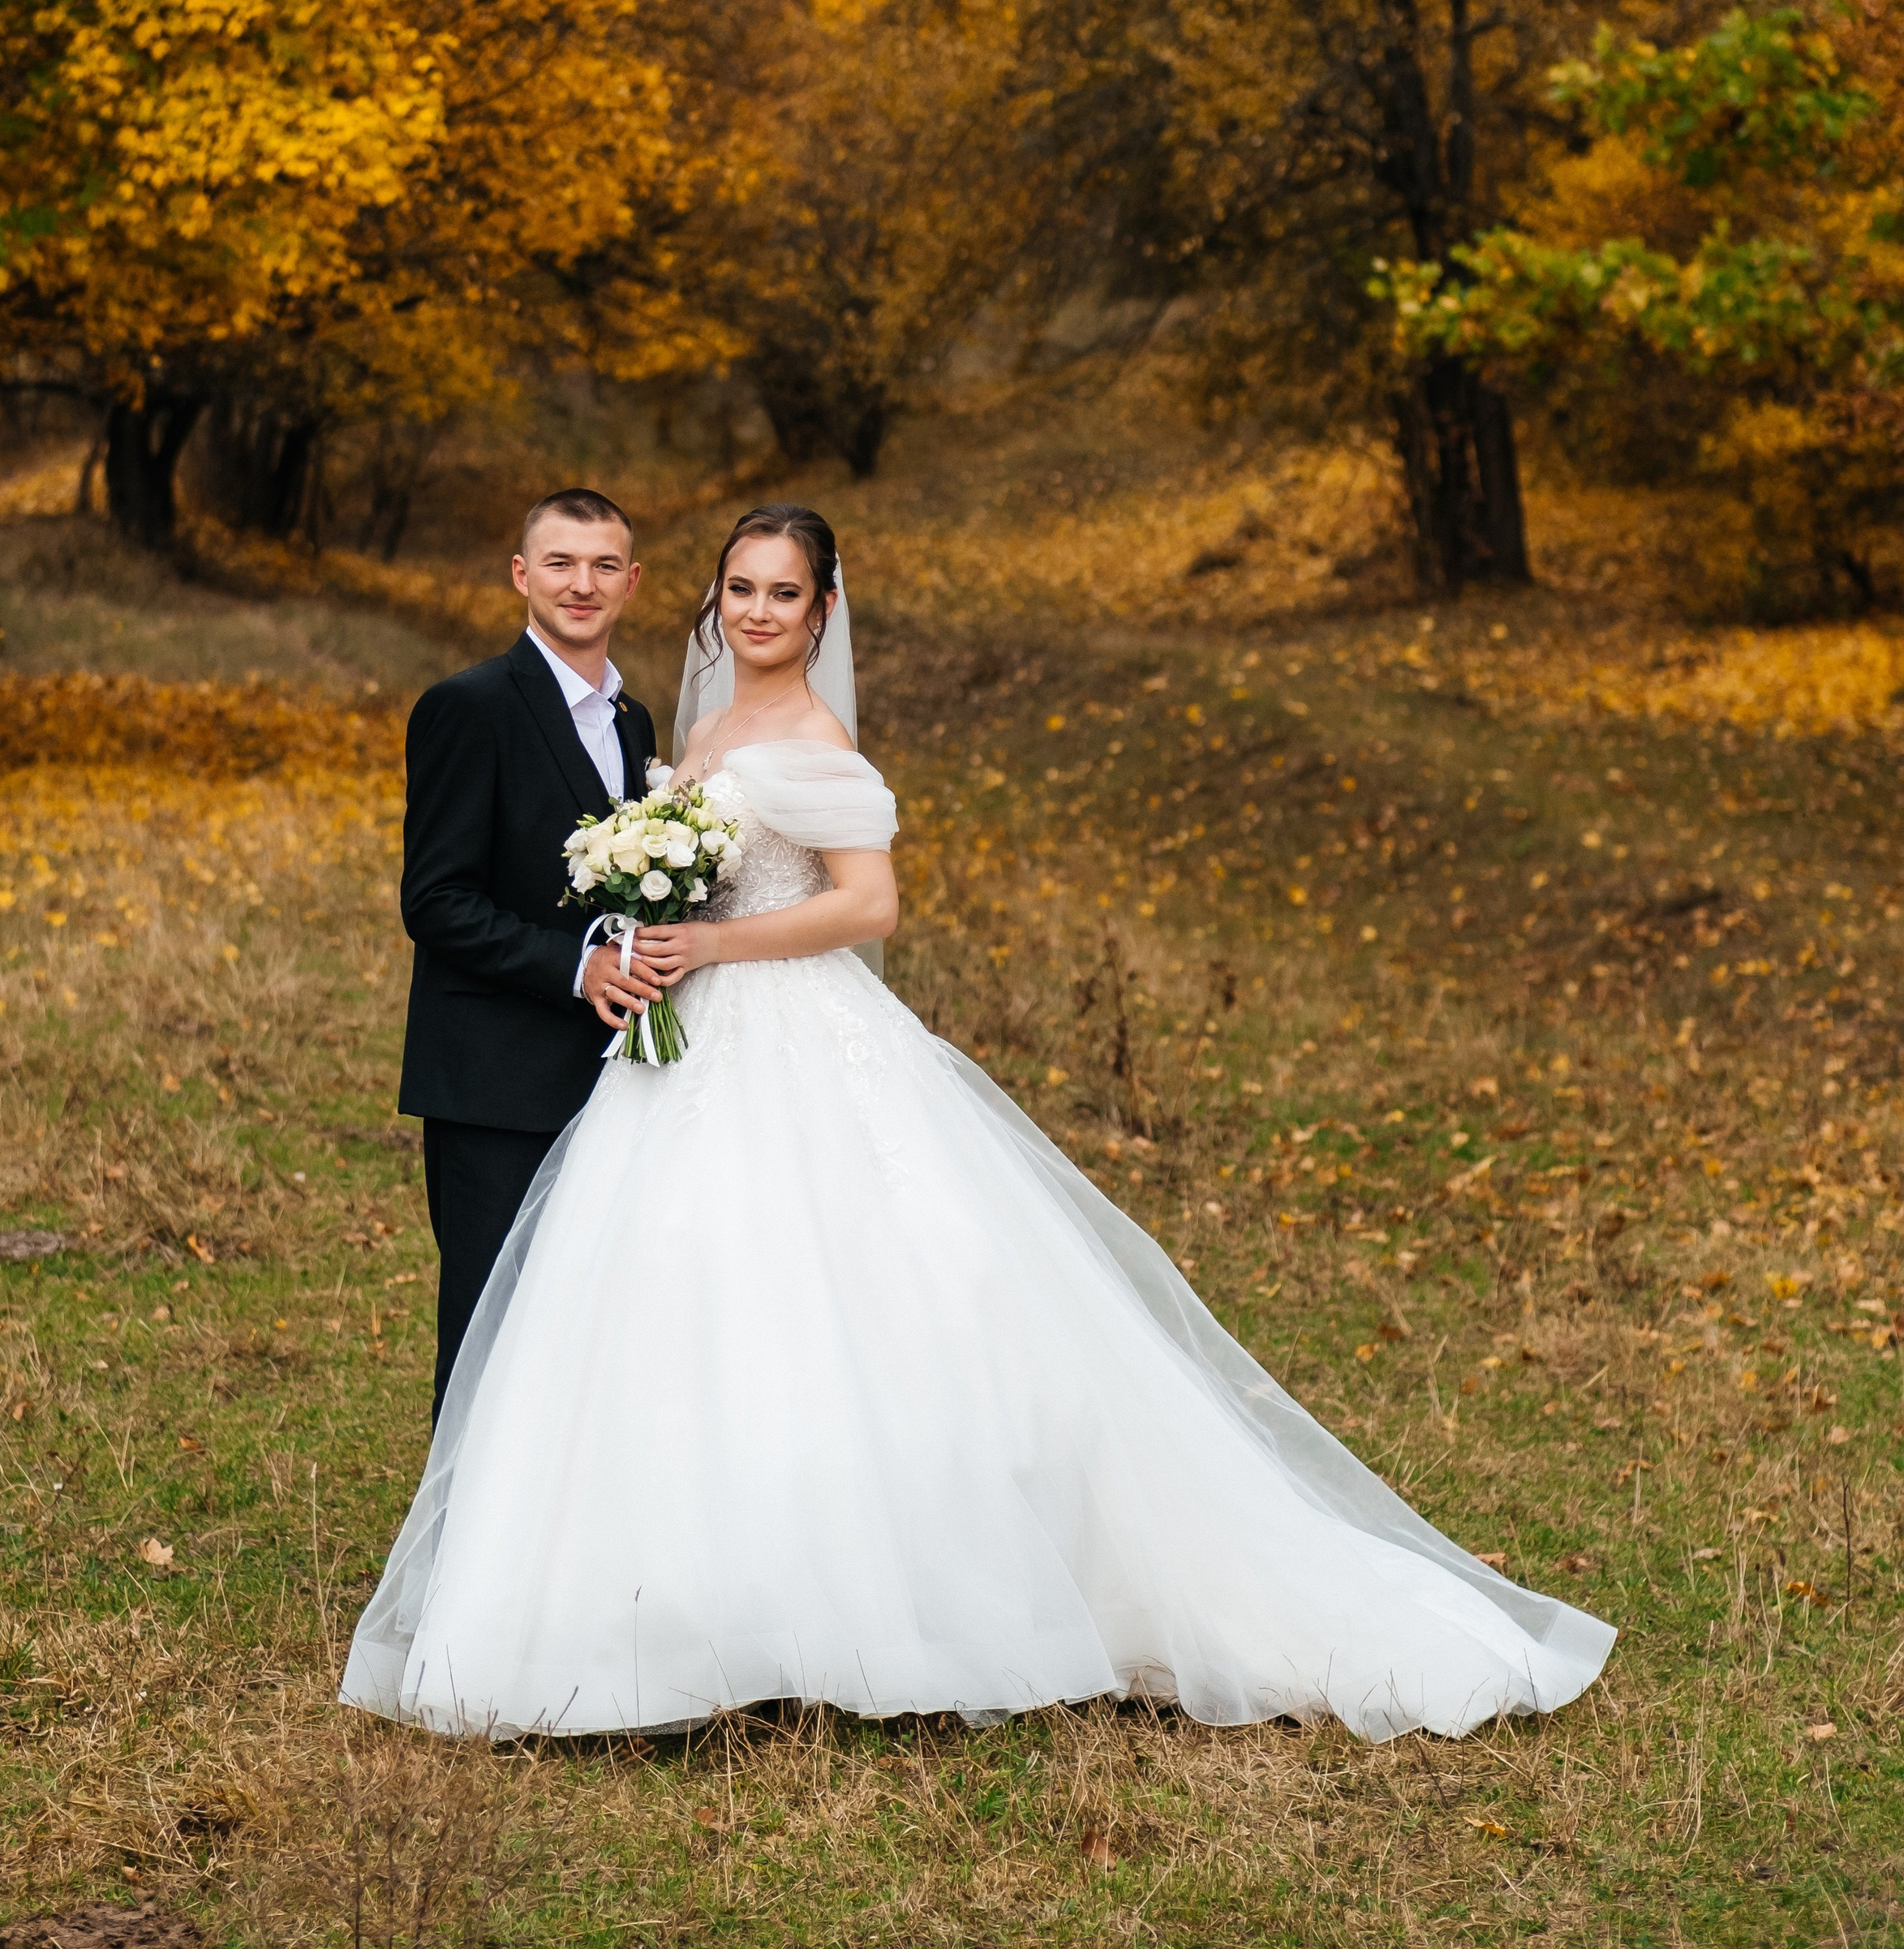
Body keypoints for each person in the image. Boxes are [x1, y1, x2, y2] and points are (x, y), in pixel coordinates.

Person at [346, 502, 1615, 1741]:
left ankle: (862, 1599)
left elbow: (869, 906)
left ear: (822, 608)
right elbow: (490, 884)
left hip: (791, 1032)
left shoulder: (818, 740)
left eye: (786, 592)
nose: (759, 609)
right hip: (684, 1048)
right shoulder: (682, 721)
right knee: (677, 1299)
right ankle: (654, 1593)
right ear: (701, 601)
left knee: (855, 1304)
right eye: (740, 589)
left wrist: (706, 937)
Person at [395, 487, 661, 1419]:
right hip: (492, 1082)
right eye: (559, 562)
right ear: (521, 574)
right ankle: (461, 1555)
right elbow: (433, 901)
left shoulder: (634, 723)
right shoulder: (467, 707)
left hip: (608, 1078)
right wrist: (574, 966)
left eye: (601, 566)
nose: (579, 585)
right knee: (487, 1329)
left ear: (631, 582)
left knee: (581, 1322)